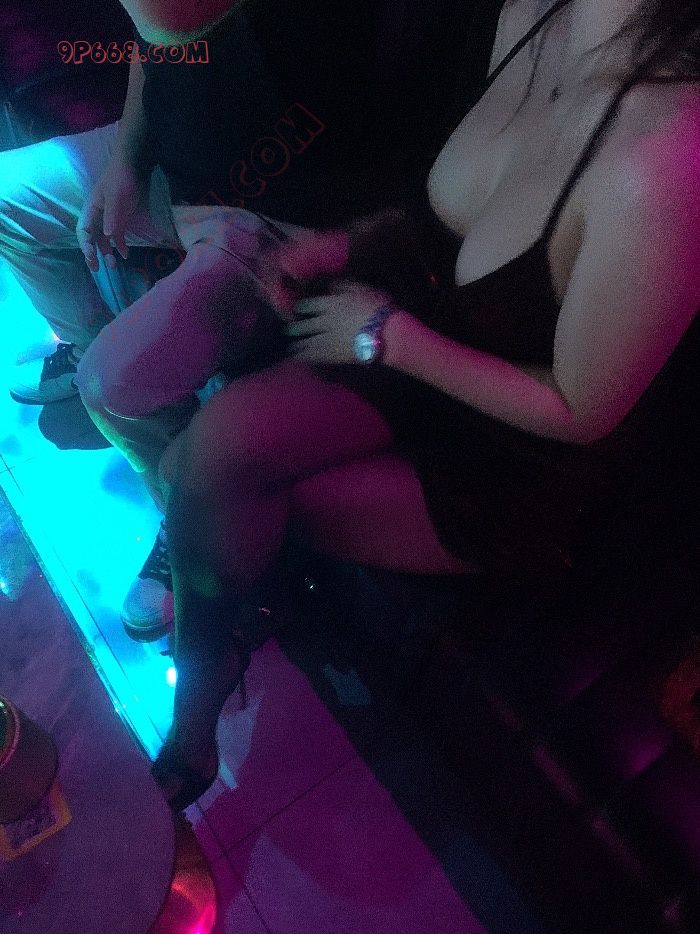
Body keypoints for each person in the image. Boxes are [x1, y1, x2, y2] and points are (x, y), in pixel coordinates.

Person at [147, 0, 699, 810]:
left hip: (517, 459)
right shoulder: (530, 11)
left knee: (207, 487)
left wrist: (389, 338)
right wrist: (340, 247)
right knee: (204, 461)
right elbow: (444, 210)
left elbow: (582, 410)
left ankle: (194, 717)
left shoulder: (670, 160)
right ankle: (210, 659)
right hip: (433, 330)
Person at [2, 0, 463, 638]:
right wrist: (127, 161)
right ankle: (114, 366)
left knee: (110, 385)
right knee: (9, 200)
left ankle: (182, 510)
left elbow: (173, 20)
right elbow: (153, 41)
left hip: (279, 211)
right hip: (186, 172)